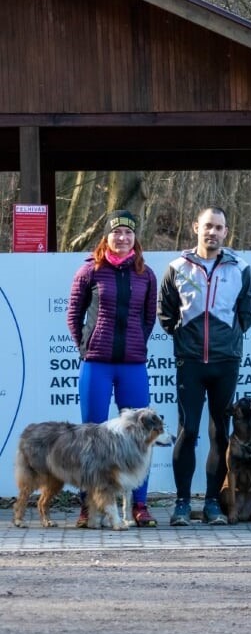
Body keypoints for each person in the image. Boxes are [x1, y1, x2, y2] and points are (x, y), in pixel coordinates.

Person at [158, 206, 251, 526]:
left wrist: (228, 340)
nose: (212, 232)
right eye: (207, 226)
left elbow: (246, 313)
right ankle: (182, 504)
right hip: (190, 362)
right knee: (187, 431)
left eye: (218, 227)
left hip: (225, 361)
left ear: (226, 232)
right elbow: (166, 312)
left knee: (220, 433)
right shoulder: (177, 267)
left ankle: (213, 502)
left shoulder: (241, 268)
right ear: (195, 228)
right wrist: (183, 336)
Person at [66, 209, 159, 527]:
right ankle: (88, 506)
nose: (122, 237)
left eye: (128, 232)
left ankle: (139, 505)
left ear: (135, 238)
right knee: (90, 437)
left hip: (132, 365)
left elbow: (148, 319)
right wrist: (86, 345)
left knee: (142, 434)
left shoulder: (146, 274)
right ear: (106, 236)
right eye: (116, 232)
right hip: (97, 364)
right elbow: (74, 315)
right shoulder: (89, 270)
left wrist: (136, 343)